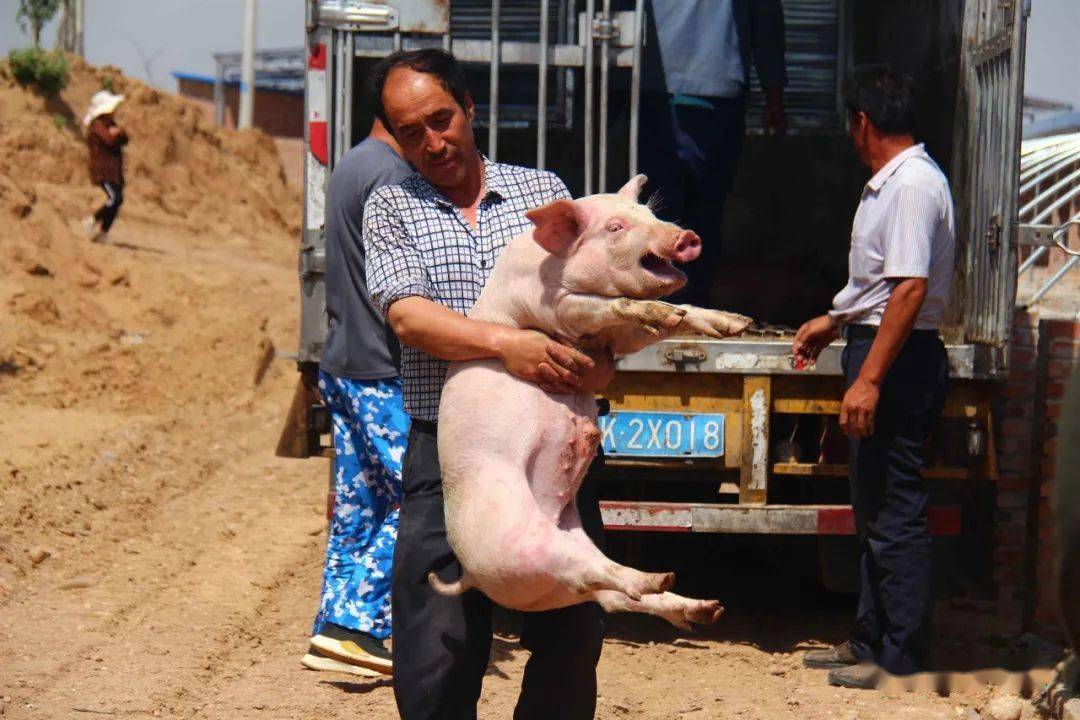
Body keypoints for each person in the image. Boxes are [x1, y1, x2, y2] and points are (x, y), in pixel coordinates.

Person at [363, 49, 615, 720]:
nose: (432, 141)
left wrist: (600, 362)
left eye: (441, 119)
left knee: (571, 632)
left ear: (470, 108)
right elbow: (409, 316)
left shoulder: (541, 194)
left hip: (550, 451)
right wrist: (510, 345)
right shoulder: (390, 208)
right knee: (436, 647)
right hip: (448, 454)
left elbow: (592, 311)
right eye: (410, 131)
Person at [793, 64, 955, 689]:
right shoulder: (893, 183)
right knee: (874, 506)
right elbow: (881, 286)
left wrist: (870, 380)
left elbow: (909, 290)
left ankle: (901, 654)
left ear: (863, 122)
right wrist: (834, 320)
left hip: (900, 357)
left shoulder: (912, 184)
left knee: (895, 508)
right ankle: (870, 638)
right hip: (882, 347)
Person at [300, 117, 413, 678]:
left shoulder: (353, 162)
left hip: (343, 359)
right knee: (421, 500)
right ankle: (357, 623)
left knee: (359, 508)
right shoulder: (392, 173)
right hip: (379, 367)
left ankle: (336, 631)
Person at [638, 0, 787, 307]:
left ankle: (662, 297)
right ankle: (693, 297)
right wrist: (774, 94)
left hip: (655, 85)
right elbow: (766, 18)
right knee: (705, 206)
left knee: (657, 204)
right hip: (714, 88)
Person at [83, 90, 128, 244]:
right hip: (102, 169)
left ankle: (103, 232)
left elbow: (125, 138)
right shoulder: (97, 125)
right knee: (114, 198)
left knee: (118, 200)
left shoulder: (109, 124)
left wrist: (118, 132)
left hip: (114, 170)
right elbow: (109, 139)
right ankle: (92, 220)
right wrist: (115, 134)